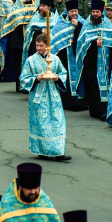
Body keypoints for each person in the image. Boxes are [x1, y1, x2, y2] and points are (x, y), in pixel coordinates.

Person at [21, 33, 71, 161]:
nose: (38, 48)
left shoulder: (55, 59)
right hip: (38, 96)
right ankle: (41, 151)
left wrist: (57, 78)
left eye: (41, 46)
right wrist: (36, 78)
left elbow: (63, 73)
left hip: (53, 95)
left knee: (57, 121)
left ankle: (59, 152)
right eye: (37, 45)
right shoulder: (31, 60)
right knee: (41, 123)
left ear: (47, 46)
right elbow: (23, 78)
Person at [0, 163, 65, 222]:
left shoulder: (44, 203)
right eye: (29, 189)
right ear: (20, 187)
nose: (33, 192)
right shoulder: (7, 206)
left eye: (35, 188)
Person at [74, 0, 112, 120]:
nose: (95, 14)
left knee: (107, 86)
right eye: (93, 11)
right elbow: (81, 47)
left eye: (97, 12)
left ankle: (105, 110)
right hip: (92, 65)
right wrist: (94, 44)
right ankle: (95, 111)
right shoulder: (87, 26)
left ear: (101, 12)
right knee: (94, 88)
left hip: (106, 64)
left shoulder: (108, 25)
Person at [0, 0, 38, 91]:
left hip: (33, 42)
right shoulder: (16, 7)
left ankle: (31, 85)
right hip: (18, 41)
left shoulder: (36, 6)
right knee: (18, 62)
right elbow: (10, 23)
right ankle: (20, 85)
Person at [50, 0, 86, 112]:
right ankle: (67, 102)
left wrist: (78, 26)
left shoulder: (82, 21)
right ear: (67, 11)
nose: (74, 13)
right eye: (72, 11)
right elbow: (55, 39)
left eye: (76, 11)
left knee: (79, 76)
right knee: (67, 77)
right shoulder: (60, 23)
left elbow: (86, 35)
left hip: (77, 55)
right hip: (65, 56)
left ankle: (80, 102)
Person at [22, 0, 57, 69]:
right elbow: (28, 33)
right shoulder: (35, 17)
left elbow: (57, 33)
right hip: (36, 49)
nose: (41, 8)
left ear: (49, 7)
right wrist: (40, 31)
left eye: (43, 6)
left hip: (51, 48)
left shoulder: (55, 18)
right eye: (40, 6)